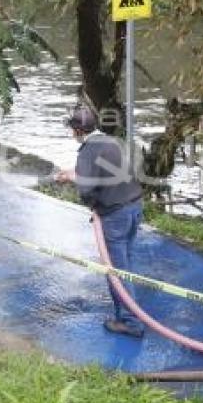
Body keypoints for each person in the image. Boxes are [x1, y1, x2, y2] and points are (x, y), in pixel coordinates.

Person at [56, 105, 145, 338]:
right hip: (134, 207)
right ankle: (130, 309)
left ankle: (130, 322)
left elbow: (87, 190)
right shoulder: (110, 142)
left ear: (77, 130)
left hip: (115, 214)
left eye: (72, 130)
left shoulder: (86, 151)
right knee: (125, 264)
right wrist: (73, 173)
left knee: (115, 270)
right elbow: (105, 172)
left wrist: (87, 196)